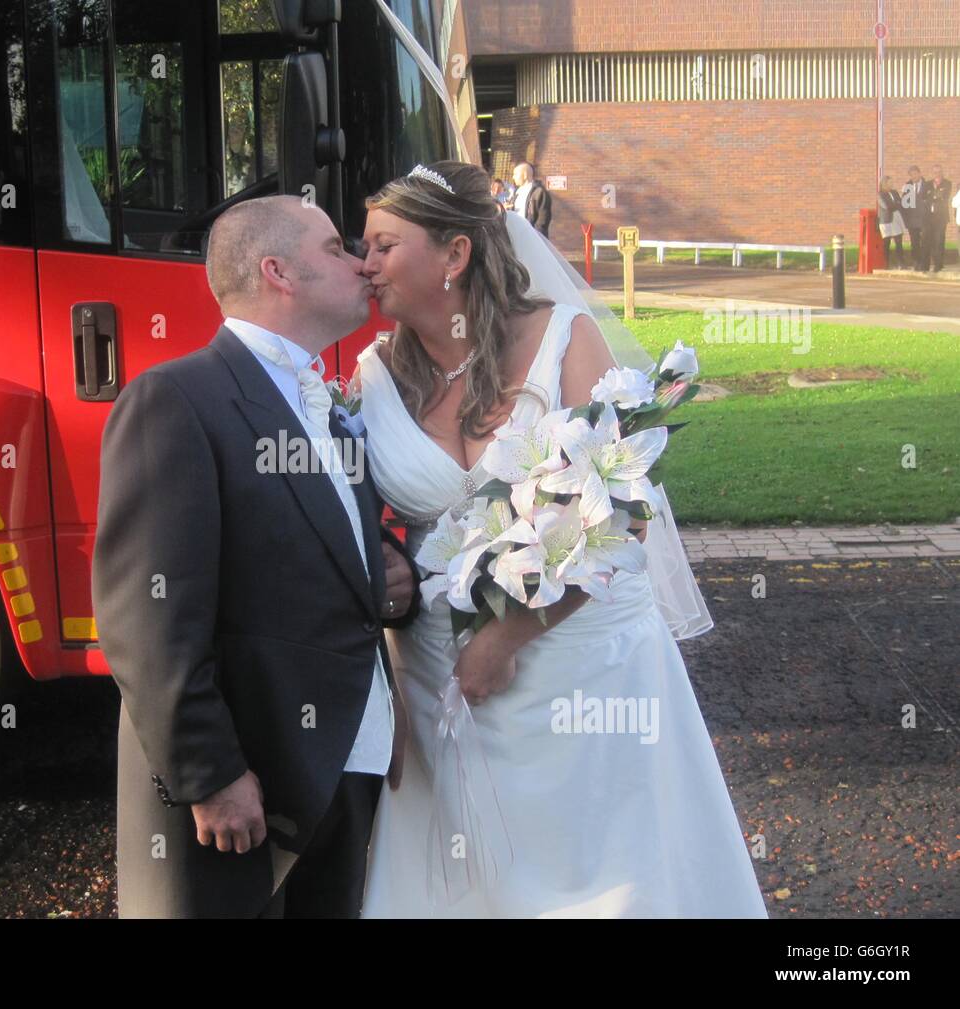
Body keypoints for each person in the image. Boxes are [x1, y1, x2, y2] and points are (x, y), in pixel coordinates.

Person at [354, 160, 767, 917]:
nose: (365, 263)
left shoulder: (564, 338)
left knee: (613, 873)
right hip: (442, 682)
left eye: (384, 244)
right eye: (363, 245)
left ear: (455, 255)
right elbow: (353, 525)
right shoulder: (372, 377)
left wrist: (507, 636)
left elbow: (621, 513)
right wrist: (383, 576)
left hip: (586, 667)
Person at [94, 195, 422, 918]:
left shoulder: (326, 404)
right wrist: (210, 773)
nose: (363, 262)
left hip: (341, 762)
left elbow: (330, 546)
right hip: (249, 777)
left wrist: (393, 578)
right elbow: (146, 617)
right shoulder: (176, 400)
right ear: (278, 271)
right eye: (338, 247)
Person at [900, 166, 932, 272]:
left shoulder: (927, 185)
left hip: (924, 219)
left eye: (915, 173)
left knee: (925, 241)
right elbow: (903, 204)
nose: (913, 176)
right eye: (911, 174)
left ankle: (924, 263)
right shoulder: (907, 186)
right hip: (912, 220)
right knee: (914, 242)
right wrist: (906, 219)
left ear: (919, 173)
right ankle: (916, 262)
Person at [923, 164, 953, 273]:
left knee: (939, 241)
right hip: (929, 217)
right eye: (935, 172)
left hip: (941, 217)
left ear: (942, 172)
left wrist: (932, 196)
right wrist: (935, 196)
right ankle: (925, 265)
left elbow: (944, 197)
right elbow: (923, 197)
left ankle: (938, 264)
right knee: (927, 240)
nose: (937, 174)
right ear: (933, 173)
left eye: (939, 172)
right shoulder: (927, 184)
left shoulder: (947, 183)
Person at [512, 161, 552, 237]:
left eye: (515, 174)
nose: (513, 177)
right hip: (517, 234)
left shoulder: (539, 192)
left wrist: (535, 236)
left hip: (532, 236)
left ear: (525, 175)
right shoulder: (516, 192)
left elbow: (543, 218)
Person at [877, 177, 906, 269]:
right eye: (890, 182)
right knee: (887, 243)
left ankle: (900, 263)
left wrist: (896, 204)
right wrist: (896, 204)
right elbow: (887, 206)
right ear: (884, 184)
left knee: (898, 241)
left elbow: (900, 203)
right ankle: (886, 264)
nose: (892, 184)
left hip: (896, 218)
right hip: (886, 220)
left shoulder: (894, 192)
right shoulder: (880, 195)